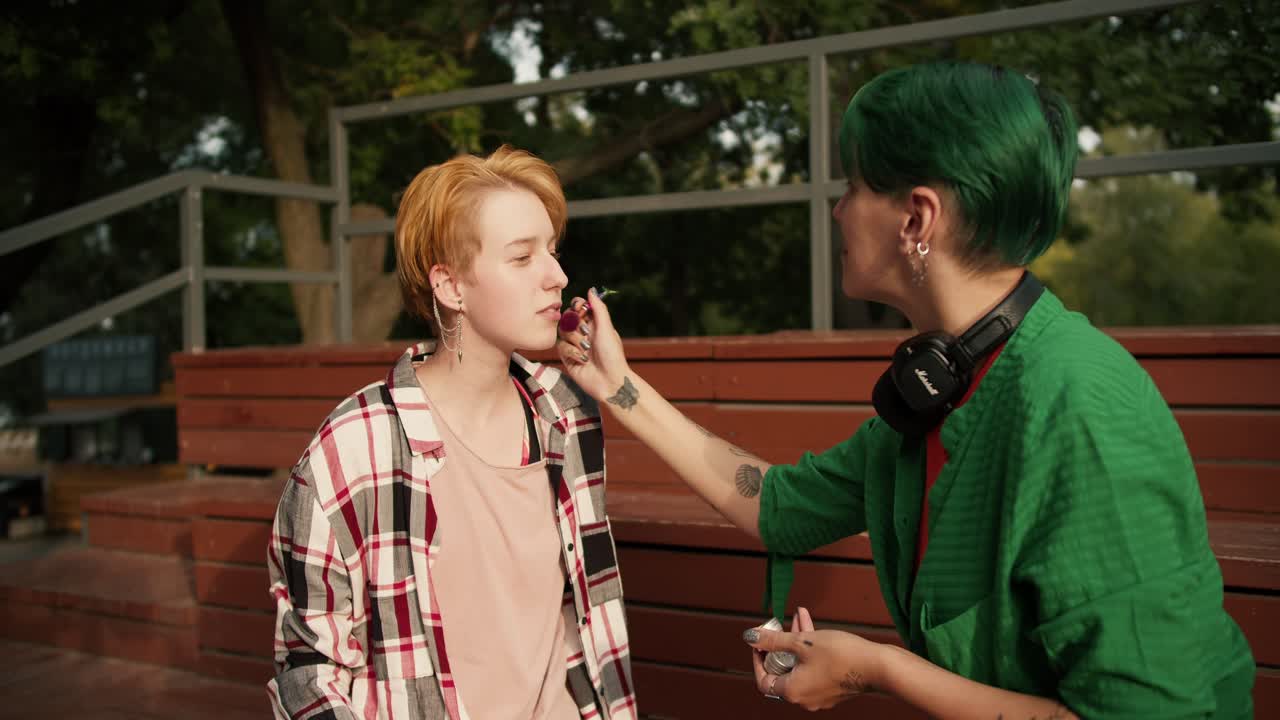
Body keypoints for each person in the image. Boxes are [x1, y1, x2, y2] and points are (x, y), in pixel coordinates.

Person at [556, 62, 1254, 718]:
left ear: (917, 219)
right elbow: (778, 507)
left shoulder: (1081, 405)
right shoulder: (938, 390)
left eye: (854, 186)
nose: (836, 211)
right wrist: (617, 387)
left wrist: (879, 670)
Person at [266, 145, 637, 720]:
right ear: (450, 286)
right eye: (522, 258)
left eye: (553, 251)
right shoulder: (353, 449)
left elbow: (586, 618)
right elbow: (309, 673)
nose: (558, 276)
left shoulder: (568, 414)